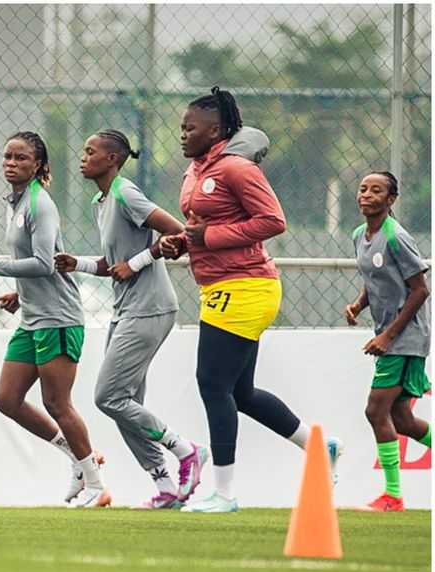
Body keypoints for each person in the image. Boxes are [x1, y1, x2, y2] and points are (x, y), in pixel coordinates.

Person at [161, 88, 342, 513]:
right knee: (239, 393)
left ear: (216, 131)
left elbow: (273, 221)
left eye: (191, 128)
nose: (183, 134)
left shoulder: (237, 169)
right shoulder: (195, 171)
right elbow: (205, 226)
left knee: (212, 383)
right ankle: (320, 446)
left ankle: (224, 493)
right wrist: (183, 244)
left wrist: (210, 238)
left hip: (246, 285)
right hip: (220, 286)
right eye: (182, 127)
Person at [55, 129, 206, 509]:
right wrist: (80, 264)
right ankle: (167, 487)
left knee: (109, 397)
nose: (83, 157)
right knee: (127, 407)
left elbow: (177, 231)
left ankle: (187, 451)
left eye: (91, 152)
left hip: (151, 307)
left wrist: (138, 262)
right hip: (125, 310)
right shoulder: (100, 201)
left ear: (112, 159)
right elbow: (113, 264)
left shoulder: (126, 192)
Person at [0, 130, 109, 508]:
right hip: (32, 318)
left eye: (21, 158)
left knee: (58, 403)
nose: (11, 164)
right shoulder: (18, 202)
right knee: (7, 400)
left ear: (39, 165)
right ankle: (76, 457)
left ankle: (95, 483)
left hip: (58, 319)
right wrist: (18, 294)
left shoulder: (40, 204)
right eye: (7, 157)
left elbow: (44, 264)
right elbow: (41, 265)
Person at [345, 171, 431, 512]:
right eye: (363, 188)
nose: (367, 194)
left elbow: (420, 290)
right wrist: (358, 304)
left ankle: (392, 496)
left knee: (375, 409)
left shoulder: (396, 237)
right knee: (402, 419)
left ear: (390, 199)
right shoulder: (358, 235)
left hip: (405, 338)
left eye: (376, 190)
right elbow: (376, 279)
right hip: (393, 337)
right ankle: (392, 497)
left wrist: (387, 335)